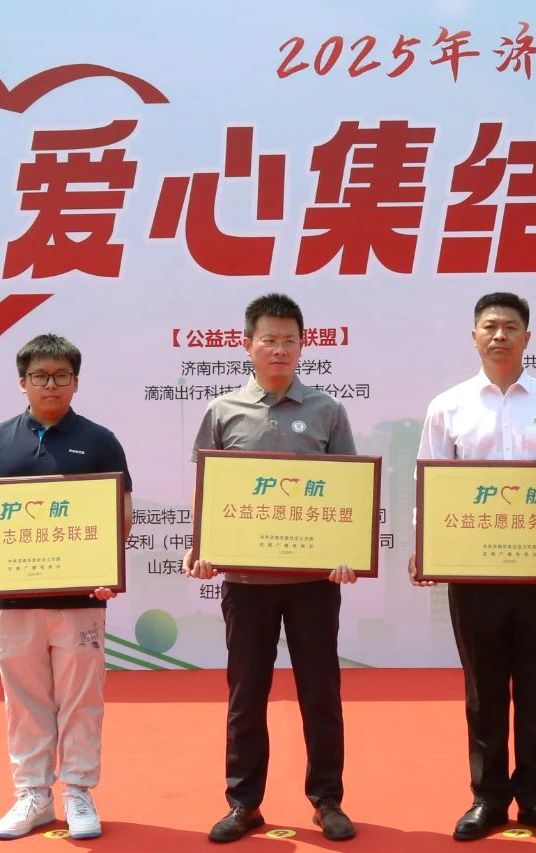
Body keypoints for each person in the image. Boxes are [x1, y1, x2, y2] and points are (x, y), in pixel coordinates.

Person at [411, 292, 536, 842]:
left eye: (510, 327)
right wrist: (425, 545)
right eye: (490, 327)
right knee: (484, 688)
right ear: (474, 337)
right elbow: (429, 483)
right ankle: (488, 798)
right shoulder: (448, 406)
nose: (500, 335)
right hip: (473, 572)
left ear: (528, 337)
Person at [185, 293, 358, 843]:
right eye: (269, 339)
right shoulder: (223, 411)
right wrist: (201, 546)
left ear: (303, 345)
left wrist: (349, 552)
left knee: (320, 694)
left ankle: (327, 799)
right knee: (246, 696)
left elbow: (349, 492)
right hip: (246, 583)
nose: (279, 349)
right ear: (247, 345)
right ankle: (243, 803)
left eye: (289, 340)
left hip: (313, 583)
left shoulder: (328, 411)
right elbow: (208, 489)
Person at [0, 333, 133, 841]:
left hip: (80, 600)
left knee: (81, 699)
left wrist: (107, 569)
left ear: (76, 381)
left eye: (61, 376)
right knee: (24, 700)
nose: (50, 384)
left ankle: (78, 791)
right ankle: (32, 794)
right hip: (14, 602)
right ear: (22, 382)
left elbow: (122, 511)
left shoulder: (100, 440)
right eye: (40, 376)